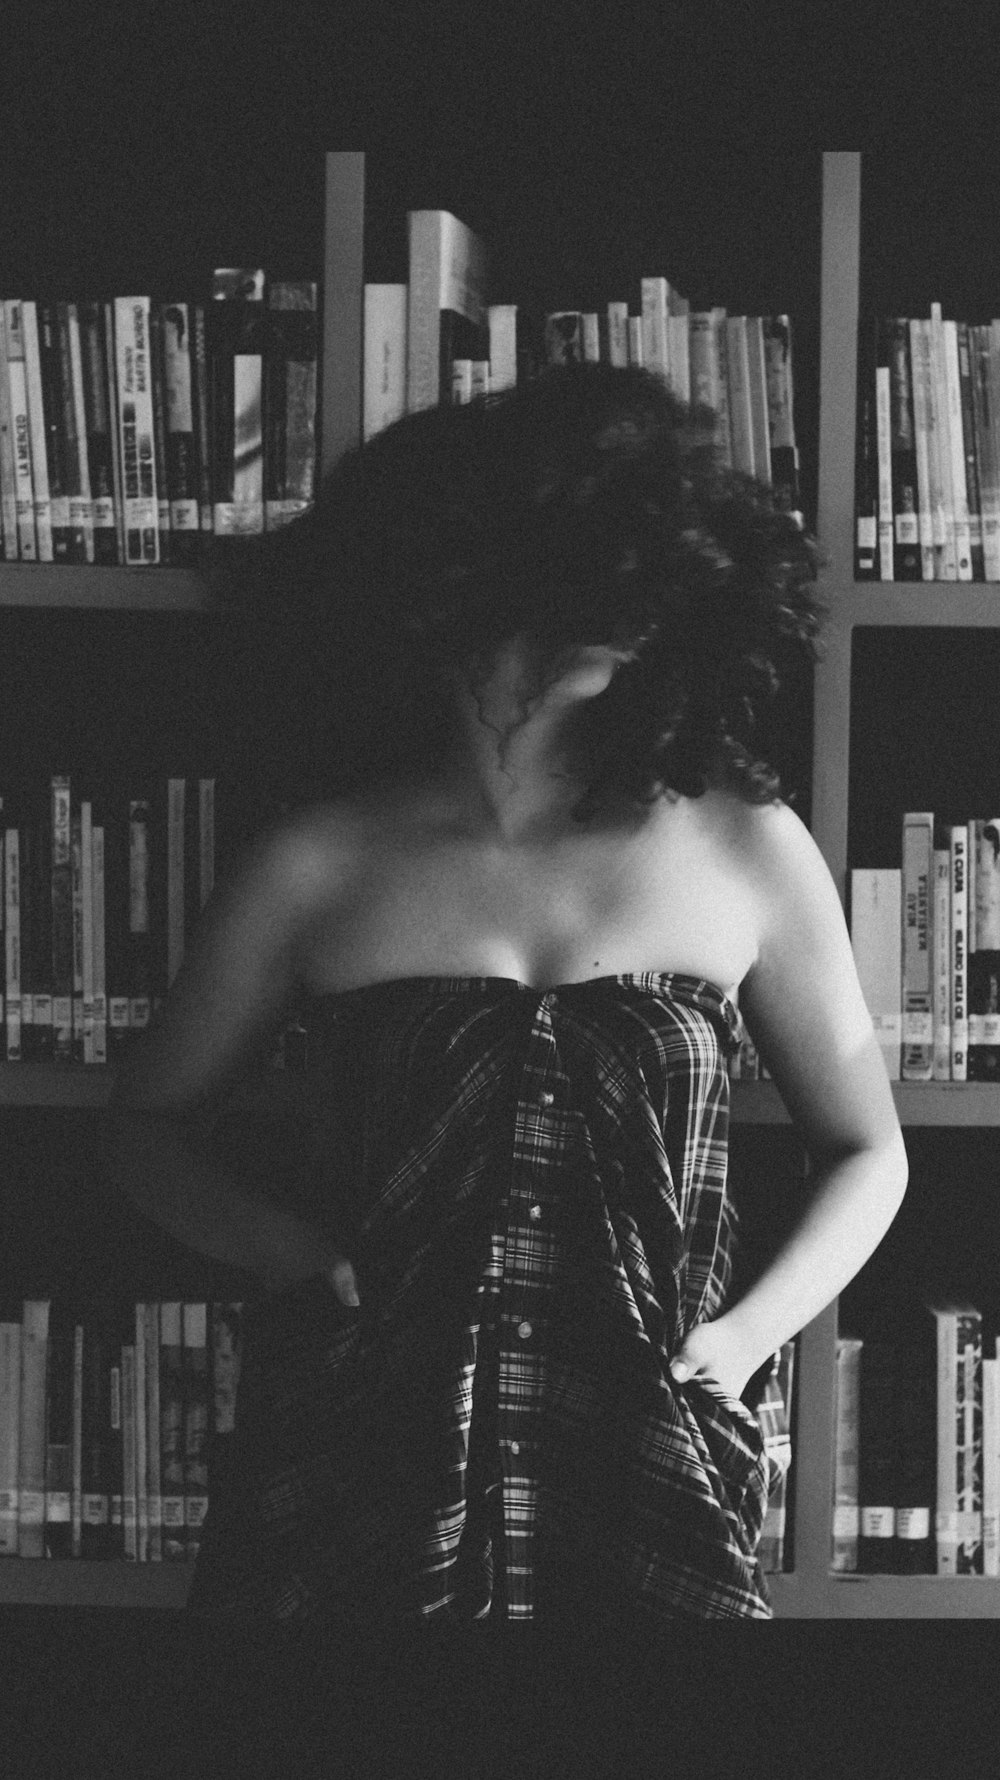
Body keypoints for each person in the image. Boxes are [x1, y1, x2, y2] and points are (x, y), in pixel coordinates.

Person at [105, 363, 908, 1774]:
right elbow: (149, 1128)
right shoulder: (322, 862)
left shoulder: (742, 845)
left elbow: (870, 1149)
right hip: (362, 1465)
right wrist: (293, 1253)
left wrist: (738, 1343)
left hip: (644, 1459)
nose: (627, 613)